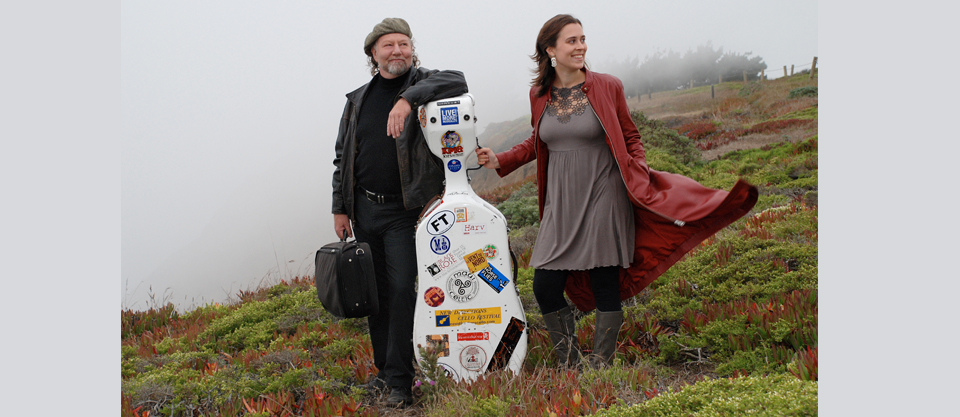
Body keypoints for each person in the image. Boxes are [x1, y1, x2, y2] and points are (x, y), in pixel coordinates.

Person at [476, 14, 757, 368]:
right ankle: (570, 361)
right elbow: (537, 140)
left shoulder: (608, 86)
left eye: (582, 39)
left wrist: (636, 174)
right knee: (545, 286)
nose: (581, 47)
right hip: (560, 202)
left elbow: (631, 136)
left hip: (603, 194)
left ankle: (600, 364)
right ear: (550, 50)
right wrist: (498, 158)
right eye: (572, 41)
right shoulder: (539, 94)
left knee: (603, 281)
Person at [331, 17, 468, 406]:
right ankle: (384, 372)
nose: (398, 51)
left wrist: (408, 100)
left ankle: (400, 381)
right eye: (388, 45)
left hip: (407, 211)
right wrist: (340, 208)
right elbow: (344, 156)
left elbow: (458, 79)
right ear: (373, 54)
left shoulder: (423, 83)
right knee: (375, 296)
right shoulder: (357, 98)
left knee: (403, 290)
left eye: (404, 44)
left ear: (412, 50)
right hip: (364, 210)